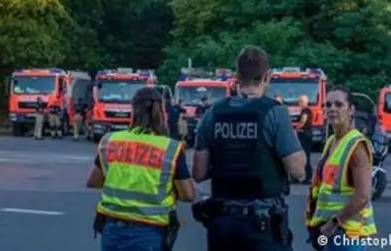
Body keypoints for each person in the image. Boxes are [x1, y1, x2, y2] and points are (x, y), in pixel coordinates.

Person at [192, 45, 306, 251]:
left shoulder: (213, 113)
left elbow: (199, 173)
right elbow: (297, 171)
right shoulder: (275, 113)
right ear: (267, 76)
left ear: (236, 75)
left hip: (222, 223)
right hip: (262, 223)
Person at [86, 87, 195, 251]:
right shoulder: (170, 148)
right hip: (149, 231)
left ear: (133, 110)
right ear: (161, 112)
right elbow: (188, 195)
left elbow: (93, 181)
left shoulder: (111, 141)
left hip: (113, 229)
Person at [306, 87, 377, 251]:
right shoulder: (332, 141)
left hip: (347, 235)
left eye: (339, 105)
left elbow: (363, 195)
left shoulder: (356, 146)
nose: (332, 109)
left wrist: (334, 223)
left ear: (351, 110)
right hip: (330, 232)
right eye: (328, 104)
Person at [294, 95, 313, 183]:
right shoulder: (305, 110)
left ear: (303, 102)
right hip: (306, 134)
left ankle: (308, 177)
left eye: (299, 101)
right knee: (304, 155)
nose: (298, 103)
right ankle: (305, 176)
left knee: (305, 156)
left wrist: (296, 129)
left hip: (305, 135)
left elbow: (303, 121)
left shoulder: (306, 110)